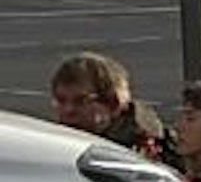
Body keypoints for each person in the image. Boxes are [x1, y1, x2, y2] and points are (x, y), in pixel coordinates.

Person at [49, 51, 179, 167]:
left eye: (81, 101)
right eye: (60, 100)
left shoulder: (144, 154)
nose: (68, 110)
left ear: (114, 104)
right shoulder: (56, 145)